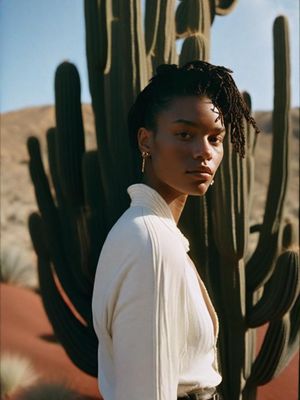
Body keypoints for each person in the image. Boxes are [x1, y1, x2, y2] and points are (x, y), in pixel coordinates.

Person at [92, 60, 259, 400]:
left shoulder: (150, 234)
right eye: (185, 134)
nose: (204, 153)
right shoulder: (151, 244)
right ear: (146, 140)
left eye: (216, 138)